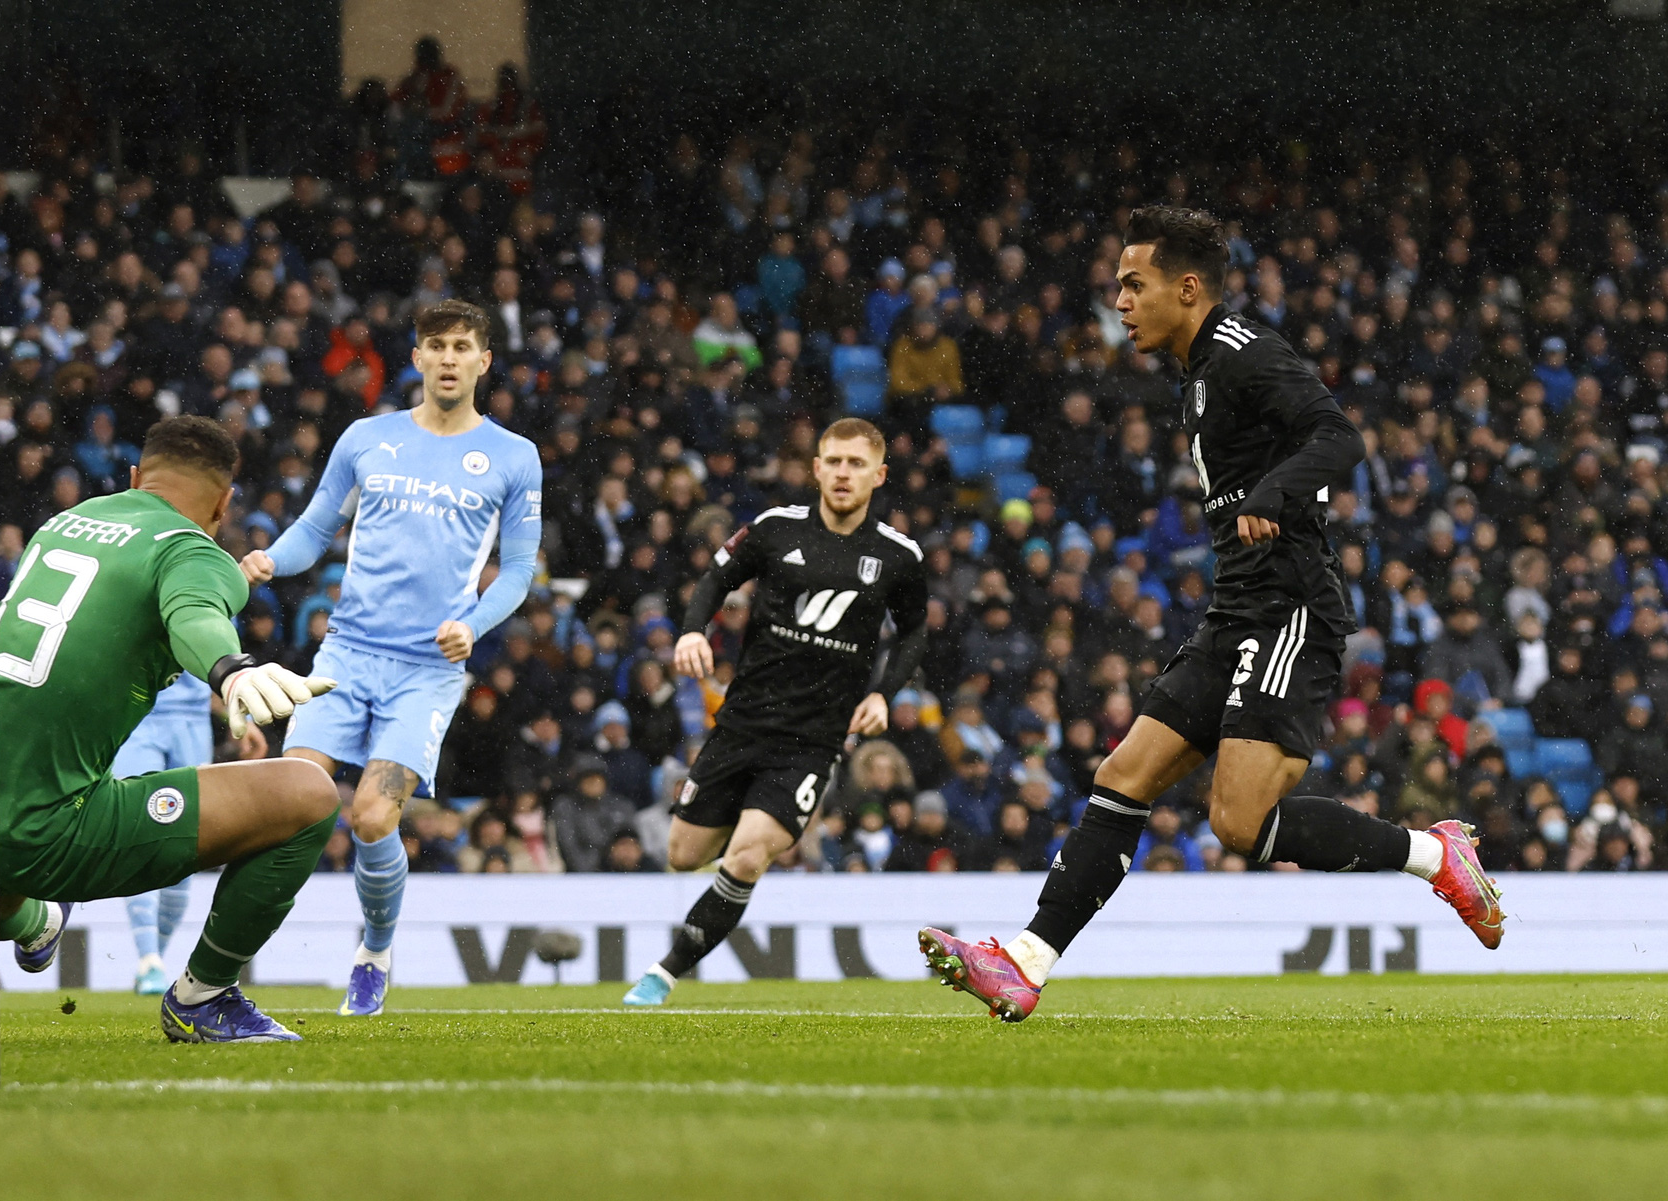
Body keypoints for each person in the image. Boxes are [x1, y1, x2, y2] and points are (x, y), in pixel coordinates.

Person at [920, 207, 1504, 1021]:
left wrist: (1273, 493)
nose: (1119, 301)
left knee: (1236, 822)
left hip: (1292, 609)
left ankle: (1434, 854)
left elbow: (1339, 437)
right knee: (1122, 777)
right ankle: (1023, 960)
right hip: (1235, 611)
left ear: (1187, 288)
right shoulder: (1192, 374)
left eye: (1135, 284)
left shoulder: (1241, 352)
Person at [0, 417, 339, 1043]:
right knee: (310, 795)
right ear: (225, 504)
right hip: (46, 832)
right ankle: (203, 997)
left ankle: (32, 920)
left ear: (134, 479)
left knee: (8, 829)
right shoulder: (190, 549)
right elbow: (196, 614)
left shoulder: (64, 524)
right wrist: (232, 672)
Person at [240, 299, 541, 1017]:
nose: (446, 357)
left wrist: (472, 624)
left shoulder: (512, 455)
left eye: (461, 346)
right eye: (435, 344)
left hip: (425, 672)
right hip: (344, 655)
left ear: (483, 360)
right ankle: (230, 960)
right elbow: (315, 530)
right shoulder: (367, 438)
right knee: (294, 802)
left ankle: (374, 948)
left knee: (373, 817)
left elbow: (522, 571)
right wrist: (267, 560)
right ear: (416, 357)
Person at [623, 418, 927, 1006]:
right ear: (815, 468)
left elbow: (914, 632)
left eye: (856, 464)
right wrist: (691, 633)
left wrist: (883, 693)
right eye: (833, 461)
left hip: (810, 742)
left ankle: (662, 975)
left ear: (879, 475)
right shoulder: (773, 529)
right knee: (683, 855)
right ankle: (745, 821)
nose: (843, 473)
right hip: (741, 725)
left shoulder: (898, 556)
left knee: (749, 854)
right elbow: (714, 578)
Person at [113, 670, 261, 995]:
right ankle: (149, 959)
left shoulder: (214, 618)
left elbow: (209, 673)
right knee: (141, 833)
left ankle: (152, 961)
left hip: (192, 725)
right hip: (138, 717)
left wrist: (238, 717)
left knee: (184, 846)